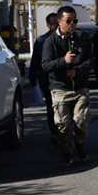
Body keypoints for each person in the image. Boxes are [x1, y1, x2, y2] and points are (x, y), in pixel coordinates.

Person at [41, 6, 95, 166]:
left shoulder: (83, 39)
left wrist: (76, 71)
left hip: (80, 87)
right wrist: (63, 61)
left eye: (75, 21)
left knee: (81, 121)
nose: (72, 24)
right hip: (60, 88)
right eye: (68, 21)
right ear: (59, 22)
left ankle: (80, 144)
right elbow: (45, 65)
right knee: (63, 124)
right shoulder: (50, 41)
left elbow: (91, 61)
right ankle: (67, 152)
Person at [29, 13, 61, 145]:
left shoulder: (67, 37)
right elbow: (35, 60)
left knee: (65, 107)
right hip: (47, 80)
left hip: (63, 80)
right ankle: (55, 133)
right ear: (48, 25)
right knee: (51, 107)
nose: (57, 25)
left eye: (58, 22)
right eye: (54, 23)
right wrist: (32, 77)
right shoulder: (41, 40)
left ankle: (66, 132)